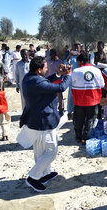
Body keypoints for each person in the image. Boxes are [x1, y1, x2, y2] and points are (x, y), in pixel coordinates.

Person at [18, 56, 72, 192]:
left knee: (40, 151)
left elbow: (46, 82)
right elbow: (60, 87)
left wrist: (58, 74)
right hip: (43, 122)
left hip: (36, 120)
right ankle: (33, 177)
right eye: (46, 67)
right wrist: (68, 76)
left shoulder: (30, 78)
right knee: (51, 152)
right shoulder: (36, 81)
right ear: (38, 70)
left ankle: (44, 174)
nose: (47, 69)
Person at [71, 51, 105, 144]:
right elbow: (102, 84)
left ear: (81, 61)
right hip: (93, 100)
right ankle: (85, 138)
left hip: (79, 99)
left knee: (78, 118)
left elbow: (72, 82)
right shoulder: (97, 70)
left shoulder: (76, 71)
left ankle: (78, 136)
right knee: (90, 118)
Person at [64, 43, 82, 120]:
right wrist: (70, 56)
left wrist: (79, 56)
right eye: (75, 48)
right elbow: (66, 63)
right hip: (72, 78)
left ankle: (77, 111)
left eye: (78, 48)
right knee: (70, 95)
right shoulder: (71, 57)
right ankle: (69, 111)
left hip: (80, 79)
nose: (76, 50)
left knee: (79, 95)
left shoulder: (81, 56)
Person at [45, 49, 64, 114]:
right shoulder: (47, 62)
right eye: (50, 54)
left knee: (59, 97)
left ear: (55, 54)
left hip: (58, 82)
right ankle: (52, 109)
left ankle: (61, 109)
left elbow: (63, 72)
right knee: (51, 97)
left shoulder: (60, 62)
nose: (51, 55)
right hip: (50, 82)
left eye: (52, 54)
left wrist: (62, 80)